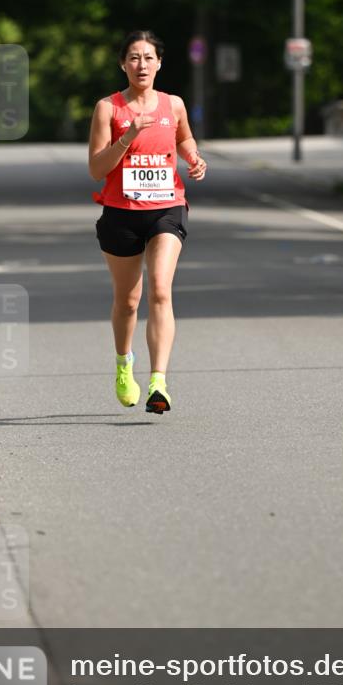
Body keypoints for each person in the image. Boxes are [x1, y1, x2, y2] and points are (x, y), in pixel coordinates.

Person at [88, 30, 207, 414]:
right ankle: (125, 365)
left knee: (160, 289)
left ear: (159, 63)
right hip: (121, 213)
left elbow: (184, 139)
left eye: (149, 57)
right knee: (128, 301)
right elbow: (95, 168)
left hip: (167, 207)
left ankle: (159, 382)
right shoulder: (109, 108)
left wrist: (194, 158)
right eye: (134, 58)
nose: (142, 64)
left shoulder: (173, 105)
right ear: (123, 64)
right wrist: (128, 138)